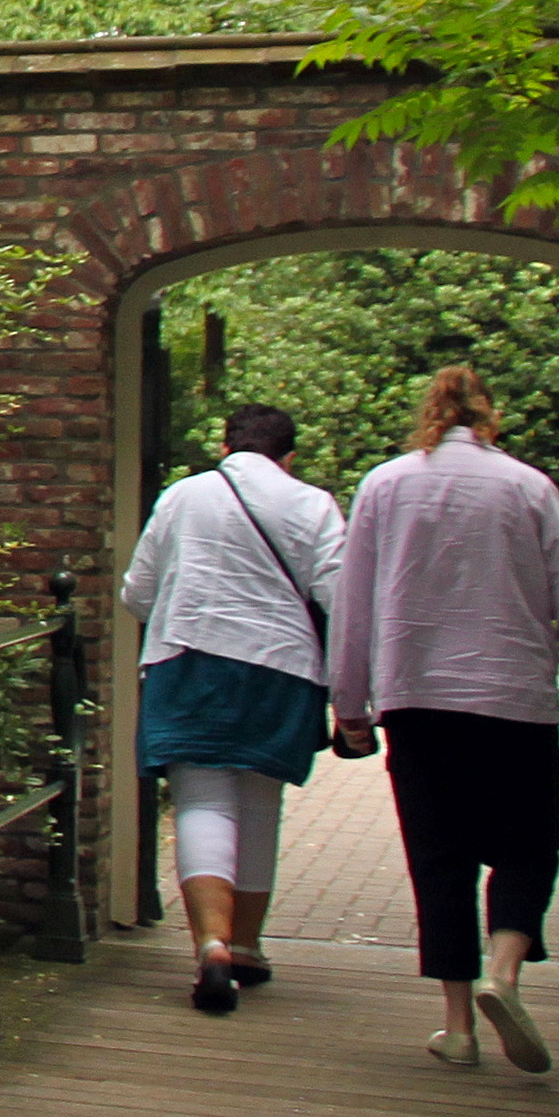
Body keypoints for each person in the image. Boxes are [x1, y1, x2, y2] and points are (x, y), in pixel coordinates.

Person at [328, 362, 559, 1073]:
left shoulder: (384, 485)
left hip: (418, 699)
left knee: (440, 860)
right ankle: (506, 972)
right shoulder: (529, 486)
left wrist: (348, 702)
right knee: (527, 844)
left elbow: (353, 598)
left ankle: (458, 1027)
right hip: (514, 698)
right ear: (490, 418)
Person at [120, 401, 347, 1015]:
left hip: (188, 659)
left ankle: (211, 945)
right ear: (288, 455)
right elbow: (339, 598)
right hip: (282, 667)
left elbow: (137, 591)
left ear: (225, 448)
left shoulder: (183, 496)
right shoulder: (314, 504)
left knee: (201, 800)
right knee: (258, 803)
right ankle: (247, 943)